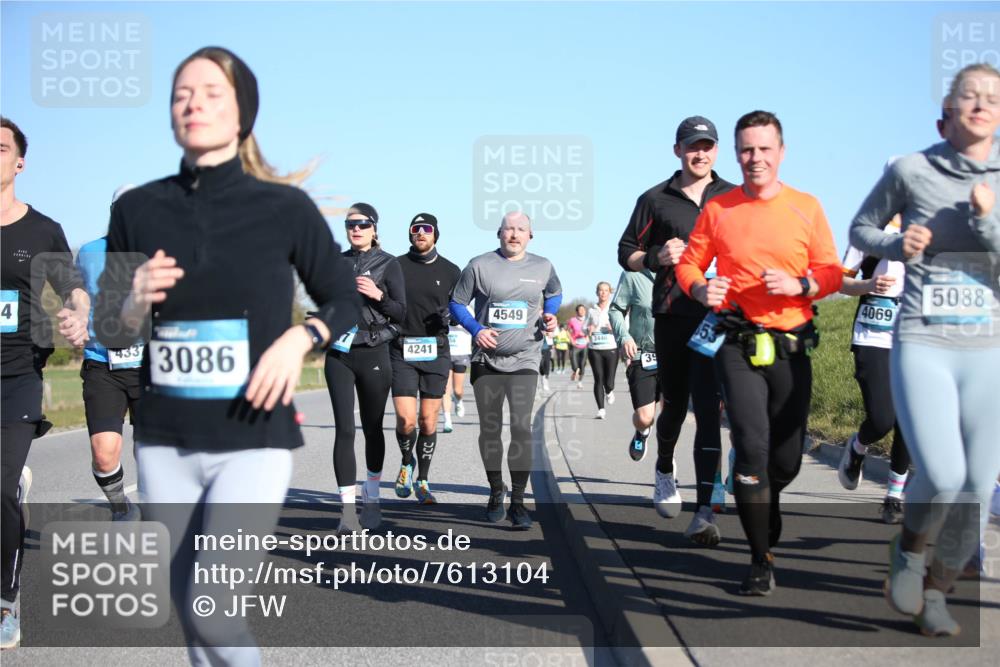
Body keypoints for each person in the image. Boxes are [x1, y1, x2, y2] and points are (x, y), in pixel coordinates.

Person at [92, 47, 360, 665]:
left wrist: (301, 338)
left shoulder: (282, 209)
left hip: (253, 437)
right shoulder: (137, 209)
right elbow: (112, 327)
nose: (194, 103)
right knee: (190, 609)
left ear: (242, 112)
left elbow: (343, 299)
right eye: (181, 93)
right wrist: (131, 298)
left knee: (213, 607)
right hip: (165, 440)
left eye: (212, 92)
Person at [850, 63, 1000, 636]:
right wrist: (896, 240)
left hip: (986, 345)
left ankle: (937, 592)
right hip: (923, 336)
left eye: (991, 96)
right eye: (969, 95)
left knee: (977, 486)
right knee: (941, 471)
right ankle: (909, 552)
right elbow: (862, 229)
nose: (981, 103)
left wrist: (986, 223)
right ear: (950, 110)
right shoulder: (911, 170)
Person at [676, 110, 842, 594]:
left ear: (781, 152)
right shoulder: (720, 208)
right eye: (747, 149)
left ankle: (764, 497)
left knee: (785, 461)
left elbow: (831, 271)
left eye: (765, 149)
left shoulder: (806, 207)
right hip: (737, 341)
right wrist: (699, 290)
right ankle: (758, 559)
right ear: (737, 153)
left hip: (792, 345)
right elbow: (690, 264)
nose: (756, 159)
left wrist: (801, 283)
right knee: (750, 446)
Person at [617, 116, 734, 546]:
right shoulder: (655, 200)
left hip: (720, 316)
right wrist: (655, 256)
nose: (699, 153)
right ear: (677, 151)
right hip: (673, 313)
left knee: (709, 408)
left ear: (716, 151)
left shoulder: (734, 197)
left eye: (706, 146)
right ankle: (664, 466)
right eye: (691, 146)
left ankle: (705, 509)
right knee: (676, 405)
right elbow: (625, 251)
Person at [1, 116, 90, 650]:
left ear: (19, 162)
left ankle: (7, 601)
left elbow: (73, 291)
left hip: (16, 372)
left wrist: (78, 317)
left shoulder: (41, 230)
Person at [450, 211, 562, 530]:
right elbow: (457, 303)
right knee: (490, 429)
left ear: (531, 235)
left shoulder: (543, 266)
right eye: (508, 229)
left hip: (526, 357)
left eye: (520, 229)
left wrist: (550, 315)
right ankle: (495, 491)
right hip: (486, 361)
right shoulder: (479, 265)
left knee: (522, 428)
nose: (514, 234)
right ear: (499, 233)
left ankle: (518, 501)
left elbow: (554, 293)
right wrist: (475, 329)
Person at [327, 203, 405, 530]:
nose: (355, 229)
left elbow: (401, 313)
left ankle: (371, 498)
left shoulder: (389, 264)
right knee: (344, 429)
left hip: (373, 353)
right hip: (339, 355)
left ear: (374, 228)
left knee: (372, 428)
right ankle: (346, 513)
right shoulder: (335, 263)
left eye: (362, 224)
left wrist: (377, 295)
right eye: (349, 224)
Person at [837, 207, 910, 524]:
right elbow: (841, 281)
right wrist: (868, 287)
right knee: (882, 419)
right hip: (873, 335)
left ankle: (894, 496)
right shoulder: (868, 230)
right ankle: (857, 447)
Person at [75, 184, 143, 521]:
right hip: (103, 365)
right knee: (104, 454)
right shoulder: (88, 253)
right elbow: (76, 299)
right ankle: (121, 507)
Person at [392, 213, 460, 504]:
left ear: (435, 234)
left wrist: (452, 316)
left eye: (426, 229)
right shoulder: (393, 266)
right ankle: (407, 462)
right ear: (410, 234)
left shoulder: (451, 270)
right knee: (407, 420)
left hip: (436, 350)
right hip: (401, 349)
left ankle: (423, 480)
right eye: (415, 229)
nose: (420, 233)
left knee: (428, 421)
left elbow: (461, 311)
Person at [608, 268, 659, 462]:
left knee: (671, 421)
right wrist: (624, 337)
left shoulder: (684, 270)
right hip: (643, 353)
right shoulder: (634, 275)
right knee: (645, 417)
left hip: (675, 355)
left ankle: (666, 468)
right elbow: (616, 310)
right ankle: (642, 432)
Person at [585, 281, 618, 419]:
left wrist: (613, 328)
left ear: (610, 292)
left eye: (606, 290)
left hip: (610, 348)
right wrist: (589, 329)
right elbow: (585, 327)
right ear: (597, 292)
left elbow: (625, 326)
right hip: (595, 348)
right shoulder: (592, 310)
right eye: (600, 290)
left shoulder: (615, 308)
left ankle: (609, 391)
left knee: (609, 382)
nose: (603, 293)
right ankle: (601, 409)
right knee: (598, 378)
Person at [442, 319, 472, 430]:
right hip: (445, 353)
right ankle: (447, 420)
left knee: (458, 390)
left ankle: (458, 400)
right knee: (445, 388)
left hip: (461, 353)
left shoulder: (468, 308)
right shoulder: (443, 306)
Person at [567, 304, 588, 387]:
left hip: (585, 345)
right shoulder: (572, 320)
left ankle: (580, 382)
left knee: (582, 365)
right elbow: (567, 331)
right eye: (580, 310)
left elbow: (592, 330)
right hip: (575, 345)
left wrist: (588, 337)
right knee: (575, 365)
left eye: (583, 309)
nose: (582, 311)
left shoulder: (588, 320)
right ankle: (575, 371)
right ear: (577, 311)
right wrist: (571, 340)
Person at [539, 328, 554, 392]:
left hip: (546, 348)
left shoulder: (545, 324)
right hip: (537, 349)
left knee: (547, 365)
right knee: (540, 366)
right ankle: (539, 384)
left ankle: (545, 382)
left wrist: (548, 333)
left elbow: (551, 334)